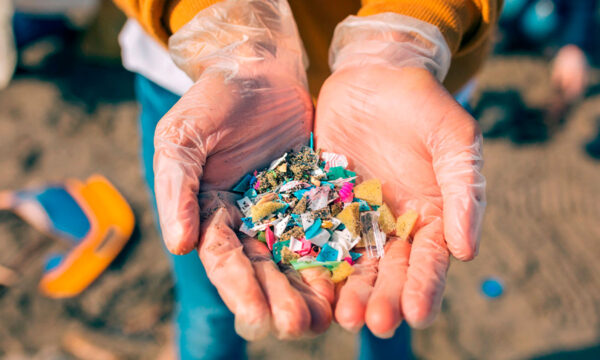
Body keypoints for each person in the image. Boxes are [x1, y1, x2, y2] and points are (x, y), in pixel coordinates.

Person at [113, 0, 498, 358]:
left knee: (389, 300)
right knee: (211, 305)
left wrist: (405, 36)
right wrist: (230, 36)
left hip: (410, 92)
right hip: (213, 83)